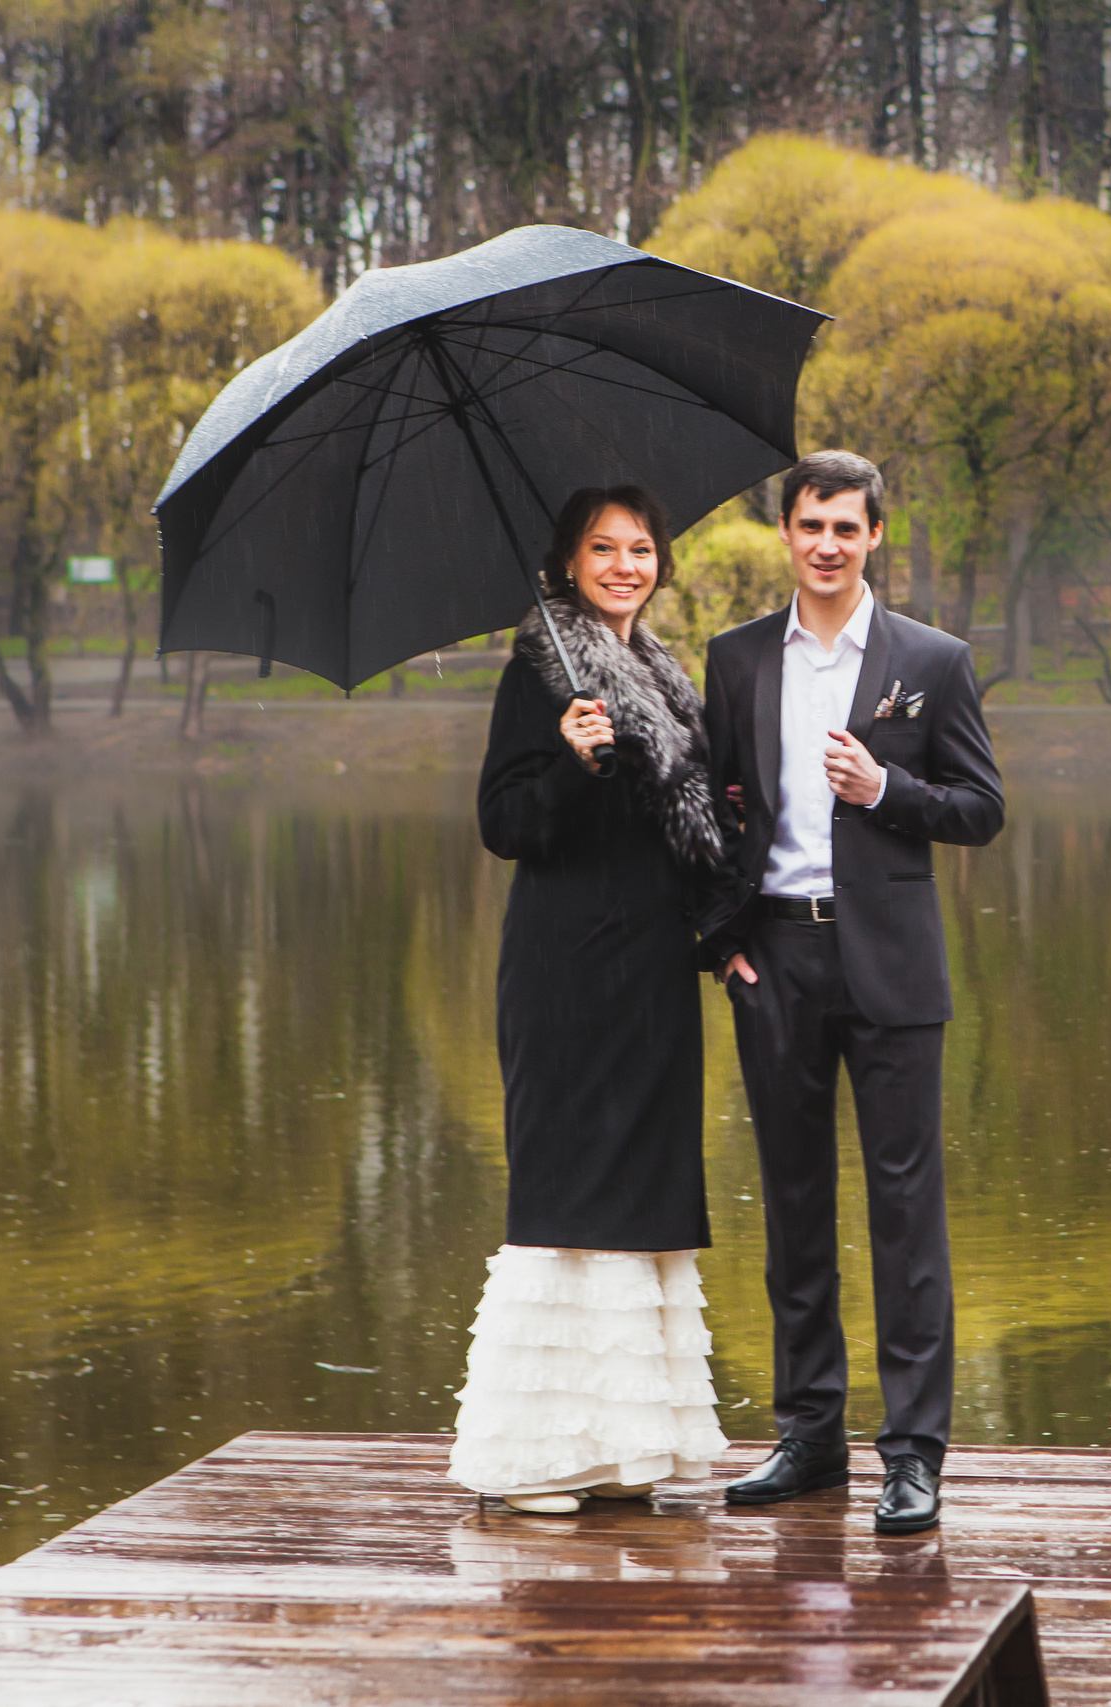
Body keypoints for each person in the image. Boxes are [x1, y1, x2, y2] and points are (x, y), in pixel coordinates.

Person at [700, 450, 1004, 1536]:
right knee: (791, 1212)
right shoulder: (734, 661)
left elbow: (979, 808)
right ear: (784, 533)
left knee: (905, 1217)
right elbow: (715, 816)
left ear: (877, 536)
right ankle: (810, 1435)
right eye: (808, 525)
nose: (826, 544)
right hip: (773, 963)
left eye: (846, 527)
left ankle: (913, 1454)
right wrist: (721, 942)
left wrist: (886, 790)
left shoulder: (932, 659)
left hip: (891, 968)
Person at [449, 484, 734, 1515]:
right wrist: (570, 762)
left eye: (641, 547)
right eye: (603, 548)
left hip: (653, 970)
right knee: (569, 1192)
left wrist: (726, 927)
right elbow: (504, 824)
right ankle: (534, 1462)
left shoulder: (664, 677)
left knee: (642, 1192)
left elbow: (687, 829)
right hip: (568, 970)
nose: (625, 564)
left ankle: (623, 1455)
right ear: (567, 562)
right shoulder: (536, 671)